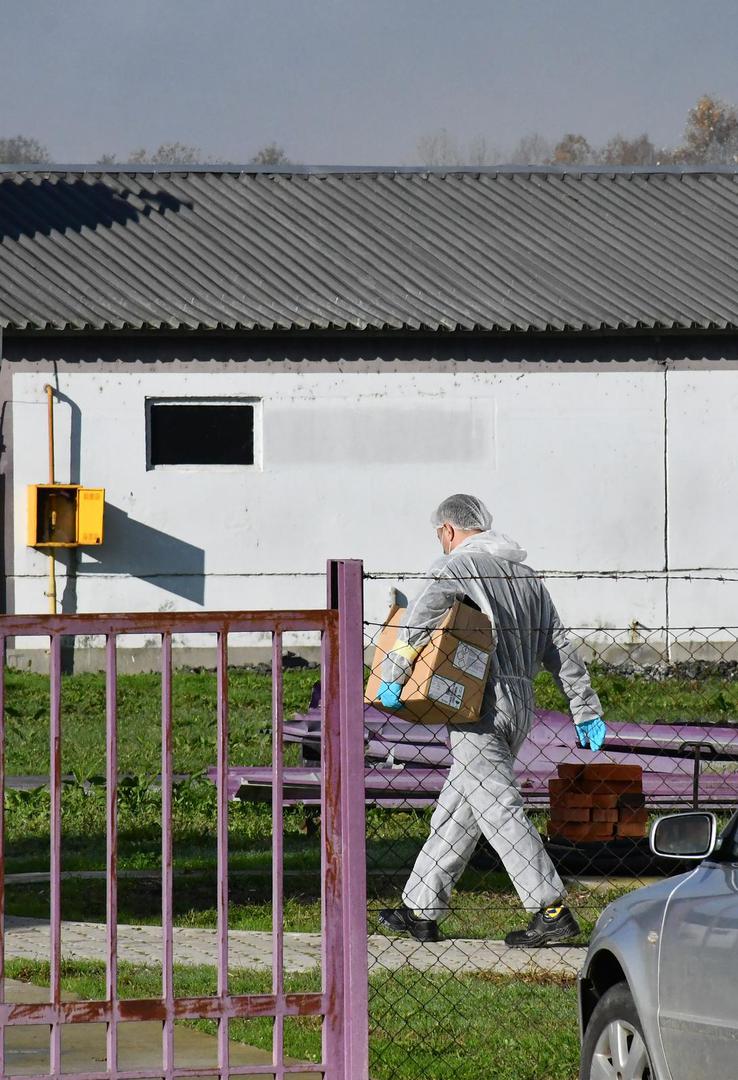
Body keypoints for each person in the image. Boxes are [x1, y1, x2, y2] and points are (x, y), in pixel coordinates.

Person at [376, 494, 606, 946]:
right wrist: (585, 708)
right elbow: (560, 649)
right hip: (520, 704)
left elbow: (418, 620)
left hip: (477, 701)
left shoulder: (457, 567)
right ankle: (419, 909)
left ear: (448, 530)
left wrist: (395, 672)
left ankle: (550, 909)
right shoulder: (527, 577)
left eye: (439, 536)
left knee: (499, 809)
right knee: (459, 809)